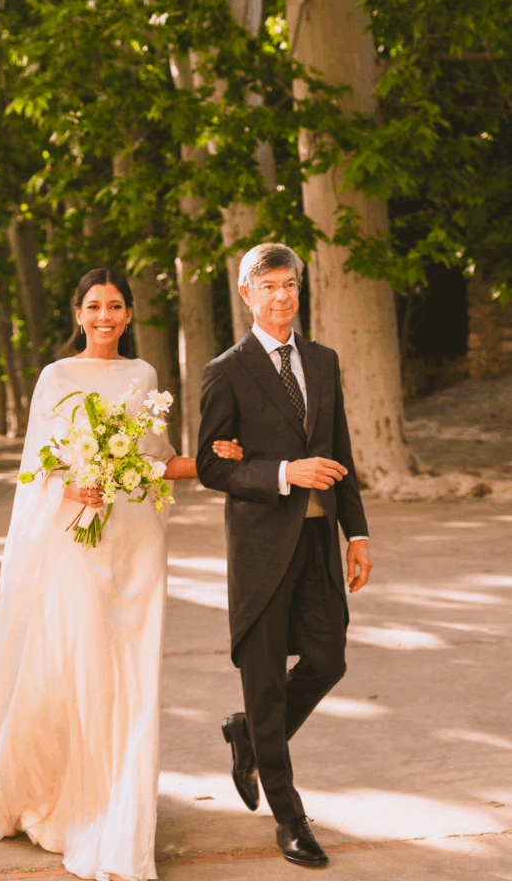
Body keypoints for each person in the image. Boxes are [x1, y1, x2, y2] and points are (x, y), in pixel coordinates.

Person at [0, 267, 242, 881]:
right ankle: (74, 803)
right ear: (78, 314)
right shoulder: (54, 378)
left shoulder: (143, 376)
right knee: (79, 663)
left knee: (129, 674)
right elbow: (37, 468)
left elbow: (158, 461)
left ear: (130, 314)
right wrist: (75, 480)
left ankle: (120, 808)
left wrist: (216, 462)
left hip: (136, 541)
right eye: (94, 306)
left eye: (116, 306)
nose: (105, 316)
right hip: (75, 539)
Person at [196, 243, 373, 869]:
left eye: (290, 285)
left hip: (321, 544)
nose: (282, 297)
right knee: (266, 684)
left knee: (328, 660)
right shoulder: (226, 370)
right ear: (246, 293)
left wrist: (357, 533)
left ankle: (249, 735)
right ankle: (289, 817)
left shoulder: (322, 362)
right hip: (262, 550)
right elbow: (211, 465)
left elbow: (341, 448)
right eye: (268, 286)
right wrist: (282, 473)